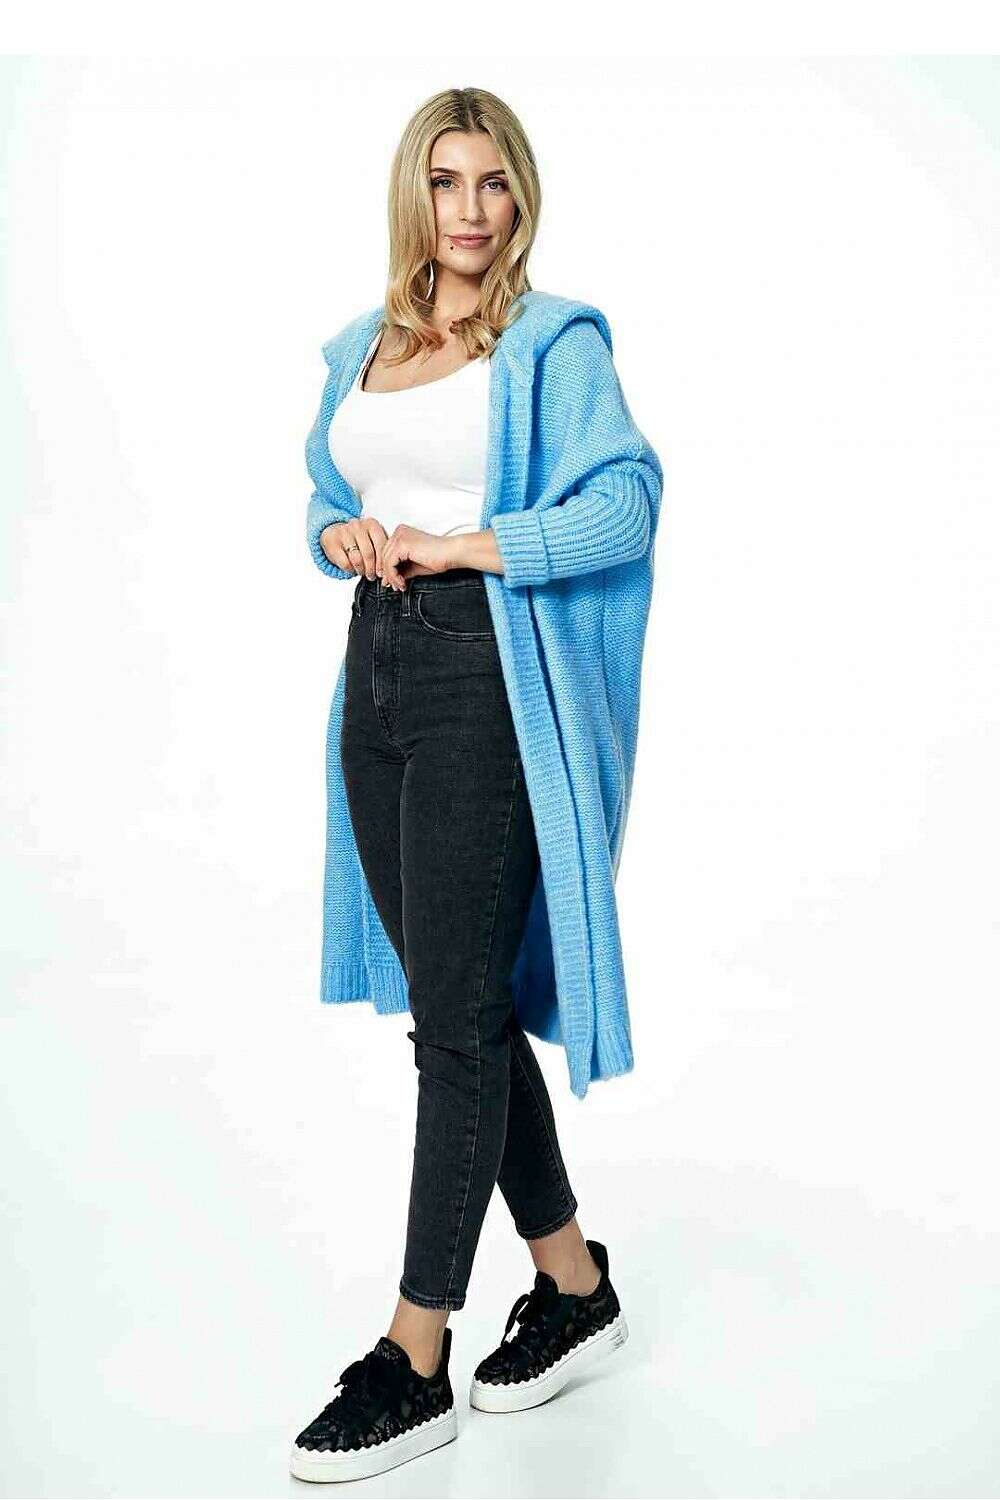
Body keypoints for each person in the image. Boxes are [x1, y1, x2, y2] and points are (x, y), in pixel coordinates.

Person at [290, 86, 663, 1484]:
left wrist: (466, 549)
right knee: (462, 1010)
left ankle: (414, 1355)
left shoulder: (553, 343)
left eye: (492, 181)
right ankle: (574, 1285)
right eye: (444, 180)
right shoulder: (368, 345)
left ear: (521, 197)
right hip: (377, 677)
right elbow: (326, 487)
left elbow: (626, 501)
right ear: (414, 193)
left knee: (452, 1029)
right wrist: (340, 534)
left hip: (481, 683)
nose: (467, 207)